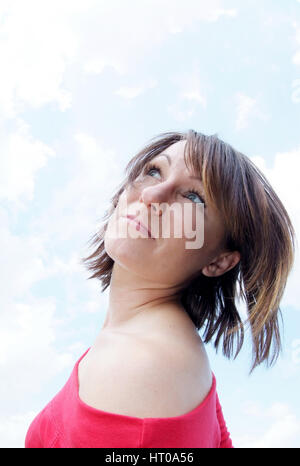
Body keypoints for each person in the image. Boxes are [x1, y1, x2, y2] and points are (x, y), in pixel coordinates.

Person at [25, 130, 295, 448]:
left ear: (220, 261)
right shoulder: (151, 349)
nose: (152, 196)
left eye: (193, 197)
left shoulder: (147, 361)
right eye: (154, 171)